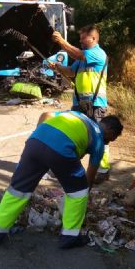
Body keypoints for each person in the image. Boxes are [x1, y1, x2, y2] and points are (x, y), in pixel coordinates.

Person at [0, 112, 123, 249]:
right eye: (113, 138)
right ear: (110, 131)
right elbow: (90, 175)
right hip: (60, 149)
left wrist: (39, 137)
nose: (109, 142)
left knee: (18, 189)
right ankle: (70, 237)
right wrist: (85, 197)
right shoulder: (99, 140)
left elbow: (46, 114)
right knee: (79, 192)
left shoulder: (78, 116)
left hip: (34, 142)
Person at [49, 25, 111, 182]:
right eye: (80, 38)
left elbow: (78, 54)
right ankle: (71, 168)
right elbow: (70, 71)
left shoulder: (97, 53)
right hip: (79, 103)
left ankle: (102, 171)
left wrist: (62, 42)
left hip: (96, 103)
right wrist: (57, 67)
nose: (81, 40)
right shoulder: (81, 58)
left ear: (93, 39)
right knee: (74, 135)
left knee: (99, 137)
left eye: (83, 37)